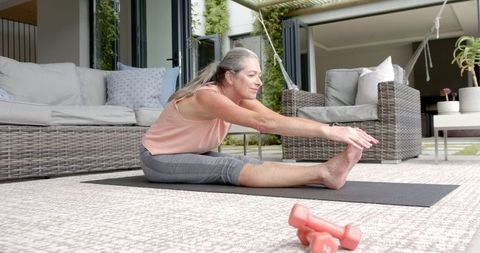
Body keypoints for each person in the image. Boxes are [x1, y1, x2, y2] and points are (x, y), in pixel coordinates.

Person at [140, 47, 379, 189]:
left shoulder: (240, 98)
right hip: (158, 159)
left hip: (190, 154)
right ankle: (324, 173)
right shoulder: (207, 96)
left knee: (247, 161)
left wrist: (333, 127)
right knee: (228, 167)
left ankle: (326, 172)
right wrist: (330, 132)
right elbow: (264, 124)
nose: (259, 81)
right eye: (252, 74)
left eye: (259, 75)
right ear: (230, 77)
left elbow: (277, 119)